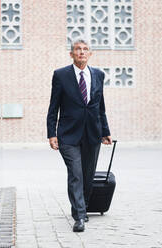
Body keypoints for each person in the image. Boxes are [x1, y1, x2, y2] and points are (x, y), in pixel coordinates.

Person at [47, 38, 112, 232]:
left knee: (87, 175)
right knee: (75, 173)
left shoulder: (99, 75)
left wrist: (106, 131)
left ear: (90, 54)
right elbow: (54, 106)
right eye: (77, 49)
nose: (81, 52)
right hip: (68, 135)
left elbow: (100, 105)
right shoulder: (60, 75)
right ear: (71, 54)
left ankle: (80, 206)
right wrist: (52, 133)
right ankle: (80, 215)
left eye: (85, 49)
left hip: (93, 133)